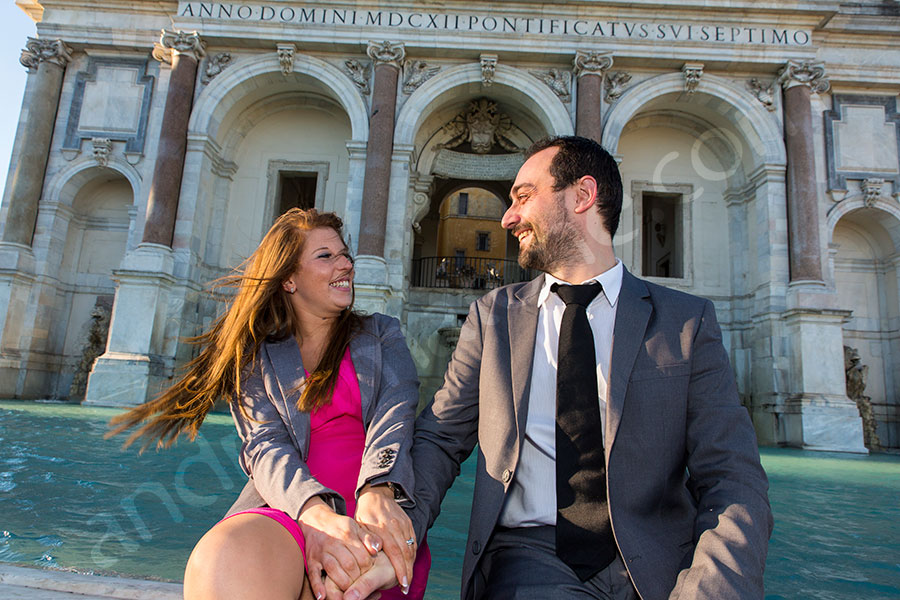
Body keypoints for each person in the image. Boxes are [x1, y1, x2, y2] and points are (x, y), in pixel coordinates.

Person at [404, 136, 773, 600]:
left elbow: (731, 476)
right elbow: (440, 438)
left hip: (663, 565)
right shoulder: (492, 317)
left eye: (523, 196)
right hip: (531, 557)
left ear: (582, 196)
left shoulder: (686, 322)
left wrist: (711, 589)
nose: (507, 216)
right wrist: (394, 522)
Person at [108, 208, 429, 600]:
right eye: (326, 256)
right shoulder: (255, 356)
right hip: (289, 506)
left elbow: (395, 414)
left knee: (350, 575)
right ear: (290, 279)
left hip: (375, 508)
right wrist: (315, 515)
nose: (345, 263)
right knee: (223, 560)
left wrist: (378, 491)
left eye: (345, 254)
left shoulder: (382, 333)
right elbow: (264, 446)